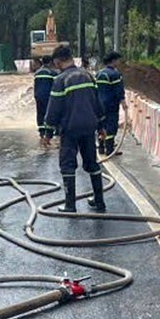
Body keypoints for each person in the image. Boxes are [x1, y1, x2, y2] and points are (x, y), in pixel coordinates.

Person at [42, 45, 105, 212]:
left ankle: (70, 205)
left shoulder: (61, 80)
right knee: (92, 163)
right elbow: (97, 104)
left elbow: (54, 109)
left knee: (68, 164)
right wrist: (101, 126)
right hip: (89, 127)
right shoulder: (88, 76)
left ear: (57, 61)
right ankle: (99, 201)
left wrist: (47, 132)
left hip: (70, 129)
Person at [95, 51, 127, 155]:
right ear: (113, 61)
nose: (119, 62)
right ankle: (109, 149)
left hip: (99, 105)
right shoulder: (115, 74)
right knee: (111, 126)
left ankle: (101, 147)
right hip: (111, 105)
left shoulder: (99, 74)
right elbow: (119, 91)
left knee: (101, 125)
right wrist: (123, 102)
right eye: (118, 60)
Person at [33, 55, 59, 141]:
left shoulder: (37, 73)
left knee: (40, 112)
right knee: (50, 112)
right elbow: (56, 86)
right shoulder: (52, 73)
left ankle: (41, 131)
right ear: (51, 62)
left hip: (38, 96)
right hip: (48, 96)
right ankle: (50, 130)